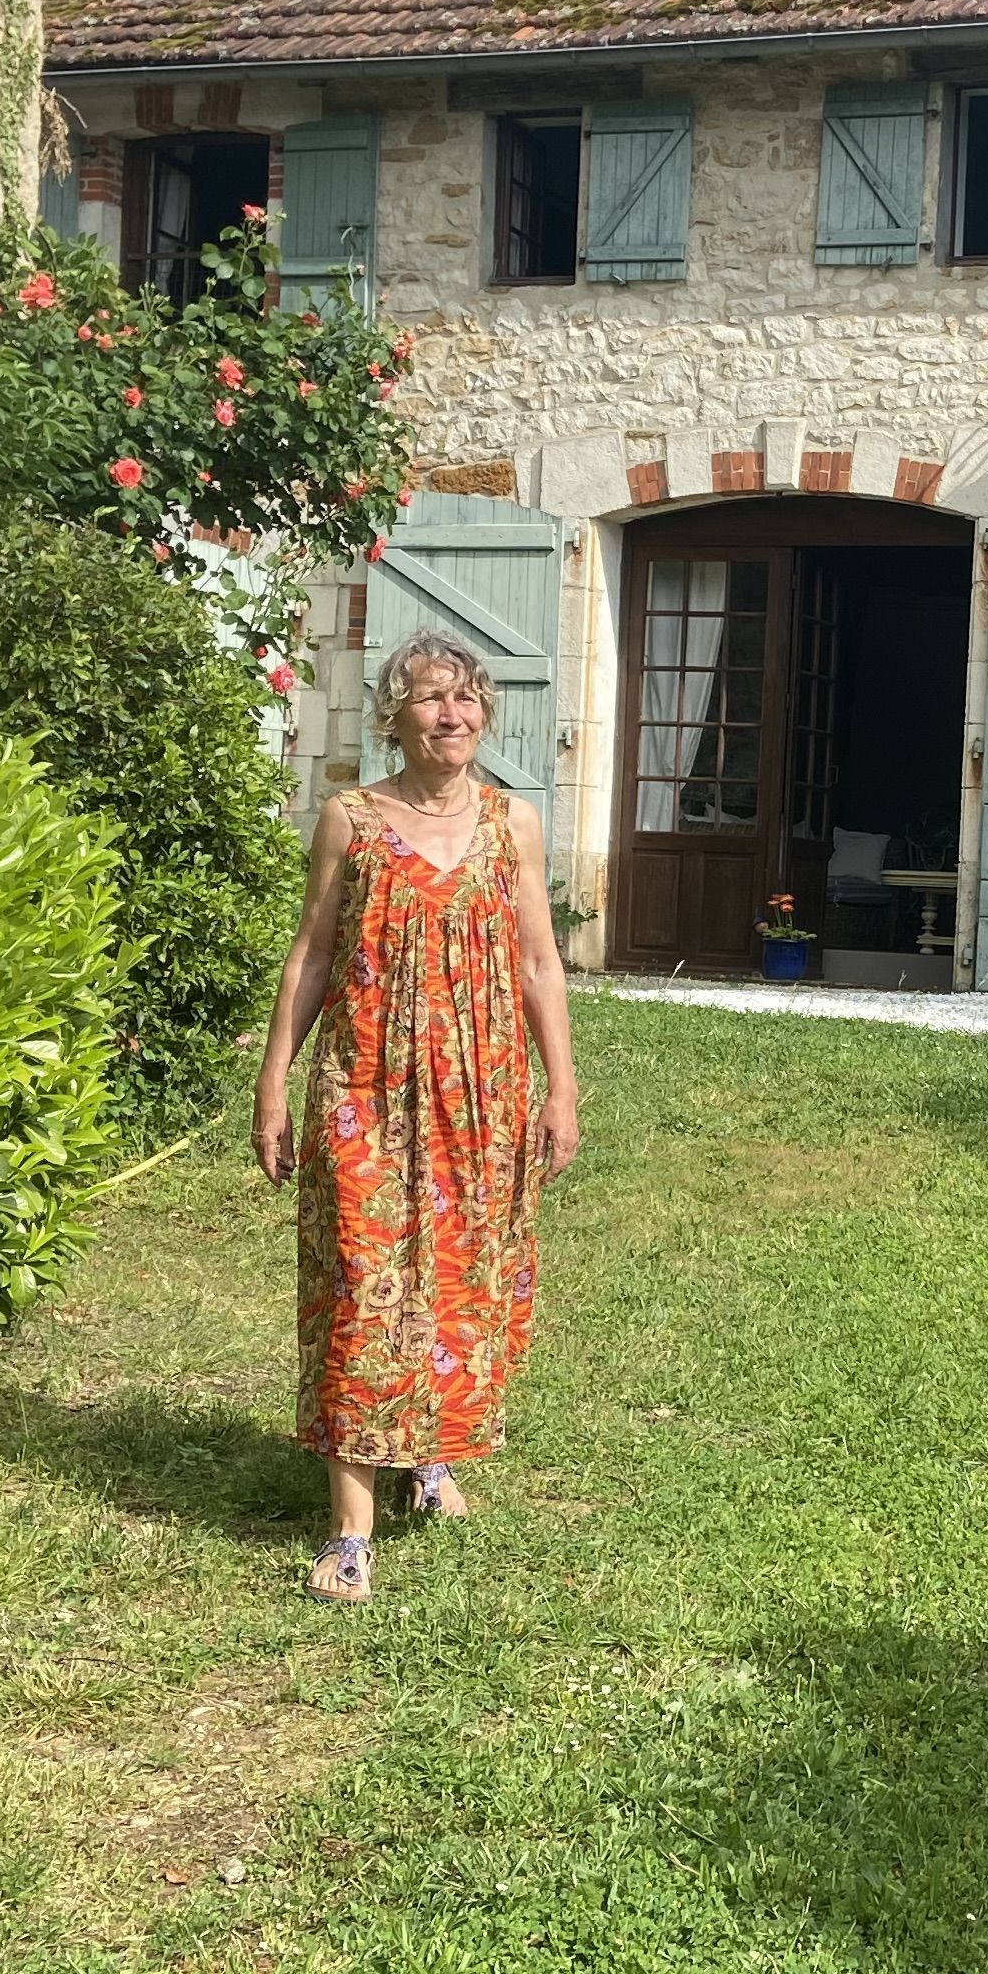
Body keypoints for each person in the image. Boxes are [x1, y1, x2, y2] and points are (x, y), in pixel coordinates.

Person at [254, 632, 581, 1600]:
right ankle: (351, 1531)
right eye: (433, 698)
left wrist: (559, 1087)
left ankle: (426, 1454)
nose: (454, 715)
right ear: (394, 715)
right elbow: (310, 955)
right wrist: (274, 1085)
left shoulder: (510, 823)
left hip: (479, 1092)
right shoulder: (351, 820)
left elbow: (537, 964)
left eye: (469, 699)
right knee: (363, 1278)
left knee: (454, 1278)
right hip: (362, 1086)